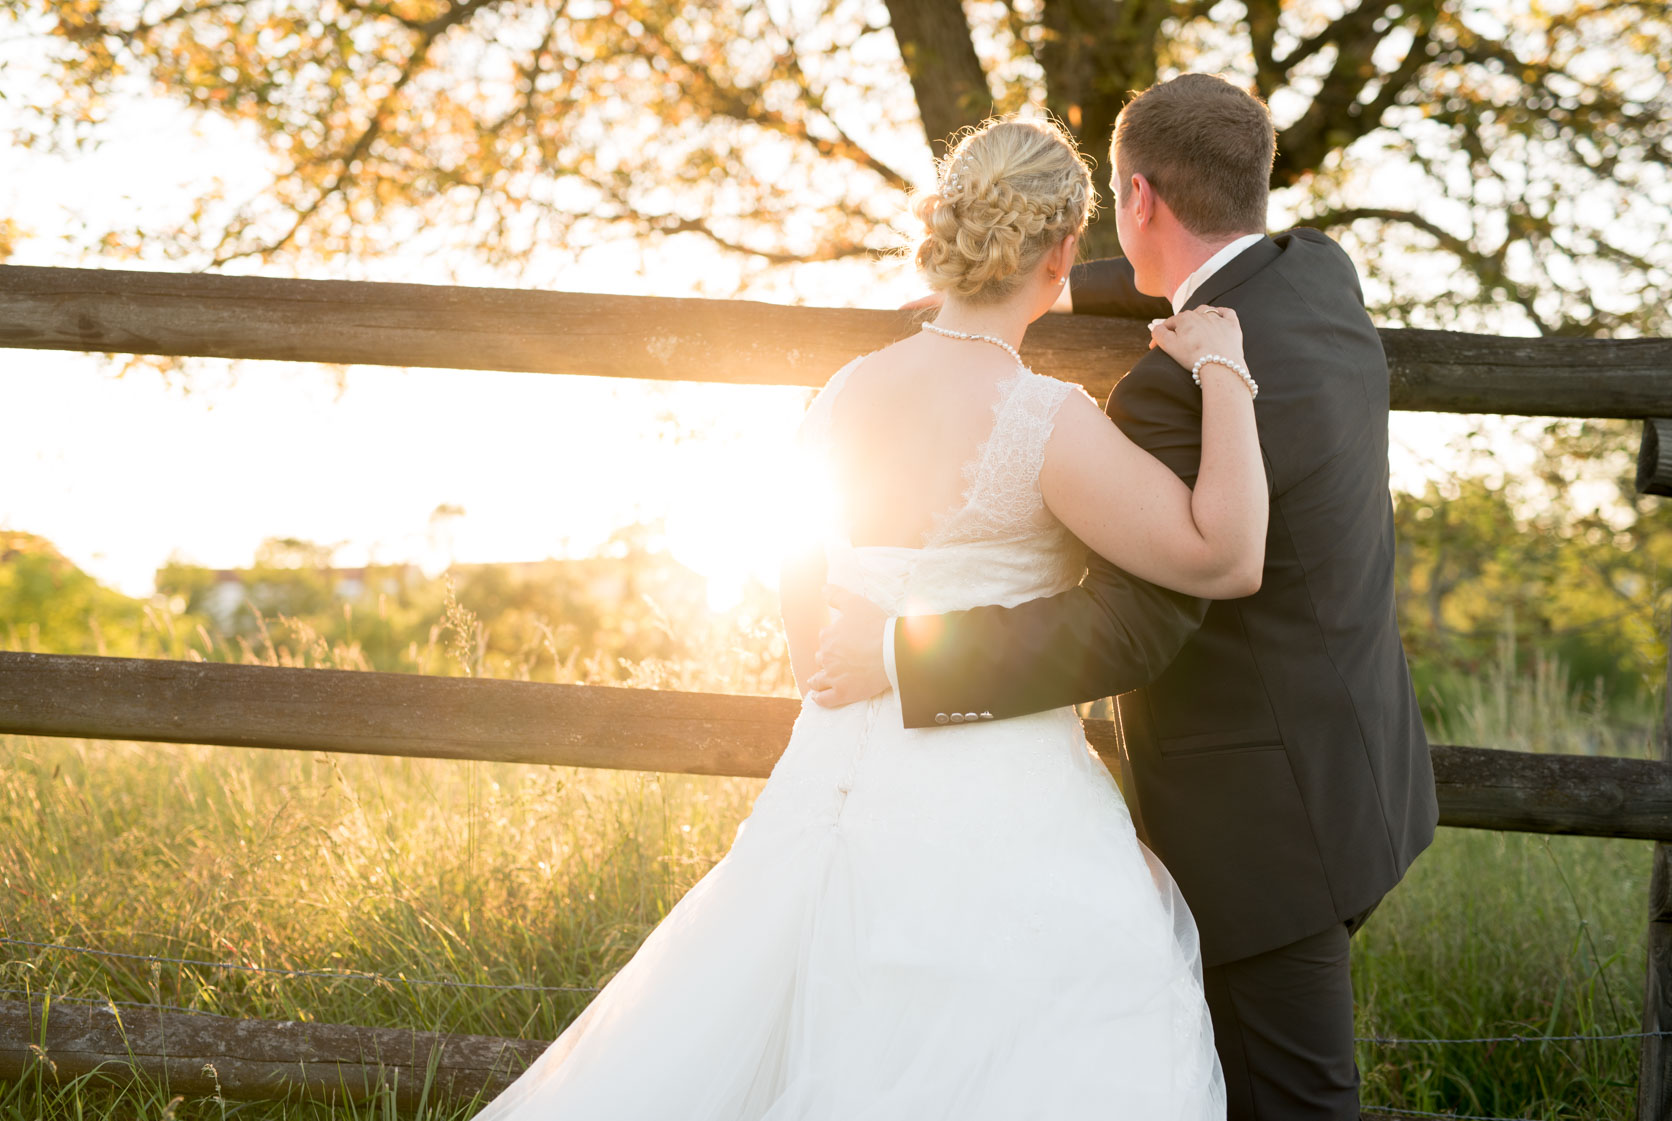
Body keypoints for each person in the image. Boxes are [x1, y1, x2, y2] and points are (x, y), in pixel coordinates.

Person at [467, 114, 1268, 1120]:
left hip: (831, 769)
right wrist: (1225, 369)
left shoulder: (842, 394)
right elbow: (1227, 555)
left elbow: (802, 596)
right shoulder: (1044, 420)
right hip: (1003, 788)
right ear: (1063, 252)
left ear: (950, 230)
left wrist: (858, 674)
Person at [811, 74, 1439, 1121]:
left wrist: (900, 652)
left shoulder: (1170, 394)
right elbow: (1175, 271)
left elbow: (1133, 622)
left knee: (1288, 1102)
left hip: (1262, 836)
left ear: (1140, 198)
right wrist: (1017, 279)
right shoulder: (1322, 282)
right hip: (1363, 774)